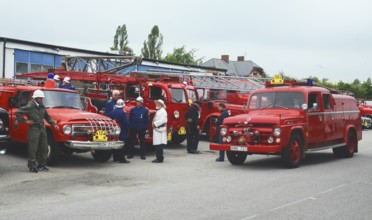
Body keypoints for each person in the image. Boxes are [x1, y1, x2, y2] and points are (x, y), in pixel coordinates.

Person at [15, 90, 59, 173]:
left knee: (44, 148)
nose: (41, 99)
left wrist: (54, 124)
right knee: (33, 148)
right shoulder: (30, 106)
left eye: (42, 98)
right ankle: (32, 166)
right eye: (40, 98)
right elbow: (18, 112)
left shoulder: (42, 106)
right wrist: (25, 121)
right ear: (35, 98)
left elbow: (47, 117)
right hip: (34, 129)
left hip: (42, 128)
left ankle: (41, 165)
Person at [109, 99, 130, 163]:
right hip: (122, 130)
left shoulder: (113, 111)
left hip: (115, 130)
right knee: (122, 145)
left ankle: (115, 158)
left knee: (115, 144)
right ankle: (122, 159)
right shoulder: (123, 113)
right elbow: (126, 122)